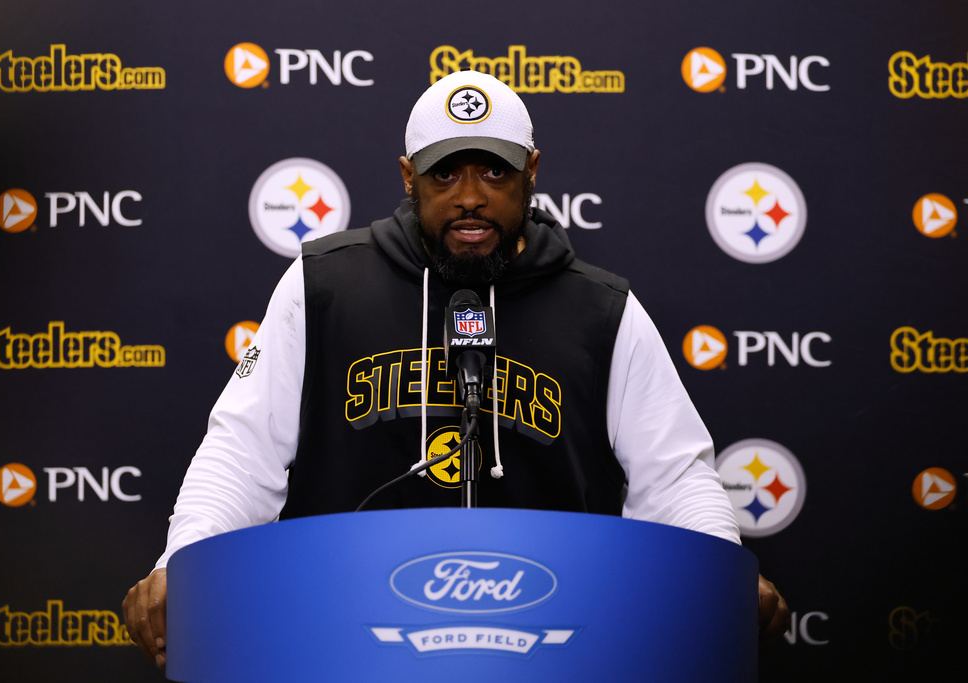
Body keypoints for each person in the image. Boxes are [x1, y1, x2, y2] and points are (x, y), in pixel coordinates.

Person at [123, 70, 789, 669]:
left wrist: (720, 571)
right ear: (409, 177)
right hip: (348, 641)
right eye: (445, 175)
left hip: (555, 646)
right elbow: (242, 452)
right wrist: (182, 565)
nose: (470, 197)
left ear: (532, 171)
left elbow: (674, 477)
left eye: (494, 173)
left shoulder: (602, 309)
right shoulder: (322, 286)